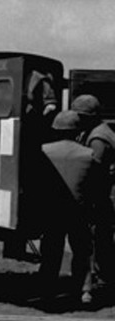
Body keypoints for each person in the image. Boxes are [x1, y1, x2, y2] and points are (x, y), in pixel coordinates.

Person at [39, 109, 105, 306]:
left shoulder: (43, 151)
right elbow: (95, 186)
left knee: (51, 251)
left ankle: (47, 290)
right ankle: (84, 290)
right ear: (78, 131)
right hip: (79, 212)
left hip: (53, 211)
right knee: (83, 251)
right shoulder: (88, 154)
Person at [72, 94, 115, 302]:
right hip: (103, 196)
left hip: (100, 198)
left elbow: (94, 170)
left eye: (80, 116)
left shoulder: (98, 138)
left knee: (95, 242)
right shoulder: (101, 131)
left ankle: (96, 286)